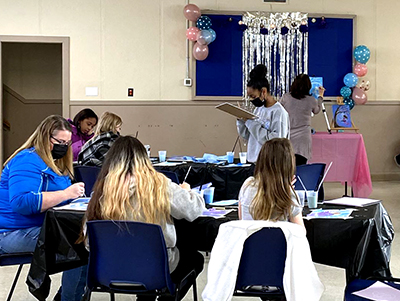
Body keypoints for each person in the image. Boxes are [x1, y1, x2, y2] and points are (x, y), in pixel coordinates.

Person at [74, 136, 205, 301]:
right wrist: (188, 191)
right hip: (155, 268)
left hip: (108, 269)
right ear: (144, 159)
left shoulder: (102, 189)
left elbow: (88, 243)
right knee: (194, 258)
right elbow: (193, 210)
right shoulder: (159, 184)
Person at [0, 115, 85, 300]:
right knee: (79, 244)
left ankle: (67, 296)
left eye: (67, 142)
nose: (64, 146)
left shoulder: (55, 163)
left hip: (39, 227)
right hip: (10, 233)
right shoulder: (27, 160)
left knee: (85, 237)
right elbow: (21, 202)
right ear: (46, 138)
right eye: (60, 141)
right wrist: (66, 194)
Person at [238, 138, 305, 232]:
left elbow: (241, 219)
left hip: (249, 244)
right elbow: (301, 232)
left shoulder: (247, 186)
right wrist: (288, 190)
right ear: (288, 165)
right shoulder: (287, 194)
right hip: (279, 246)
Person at [237, 64, 290, 163]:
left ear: (263, 92)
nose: (251, 100)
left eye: (253, 96)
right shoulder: (259, 109)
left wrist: (250, 123)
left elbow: (275, 142)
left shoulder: (279, 112)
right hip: (254, 160)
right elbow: (249, 136)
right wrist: (241, 121)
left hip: (269, 163)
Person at [280, 74, 325, 166]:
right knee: (301, 166)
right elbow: (316, 110)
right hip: (303, 138)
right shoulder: (311, 100)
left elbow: (278, 110)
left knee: (286, 166)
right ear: (308, 86)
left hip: (287, 135)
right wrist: (320, 96)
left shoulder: (286, 97)